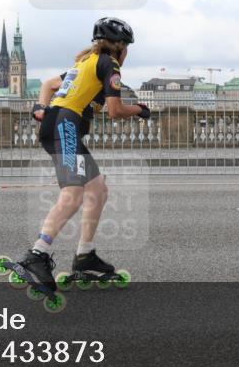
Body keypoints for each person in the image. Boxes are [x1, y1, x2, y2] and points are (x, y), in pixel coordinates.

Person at [13, 17, 151, 293]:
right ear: (120, 47)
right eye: (127, 48)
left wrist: (41, 108)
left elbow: (49, 85)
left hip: (63, 124)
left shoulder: (85, 63)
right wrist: (140, 110)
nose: (126, 54)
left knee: (98, 189)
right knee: (73, 193)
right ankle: (36, 255)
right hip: (66, 125)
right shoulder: (108, 64)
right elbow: (115, 111)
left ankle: (85, 255)